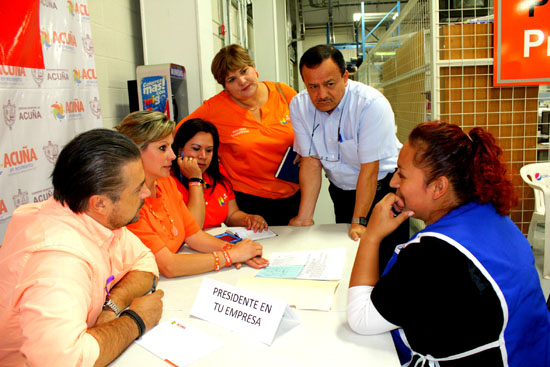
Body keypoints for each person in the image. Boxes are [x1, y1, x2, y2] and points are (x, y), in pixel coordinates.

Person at [347, 121, 550, 366]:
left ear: (438, 187)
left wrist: (371, 236)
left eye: (402, 173)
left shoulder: (435, 254)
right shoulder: (493, 215)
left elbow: (360, 319)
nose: (393, 183)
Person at [0, 129, 164, 367]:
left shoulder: (91, 216)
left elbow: (144, 260)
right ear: (100, 203)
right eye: (138, 188)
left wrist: (111, 307)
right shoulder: (57, 261)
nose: (147, 193)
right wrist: (136, 320)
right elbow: (61, 362)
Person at [289, 44, 409, 272]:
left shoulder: (370, 104)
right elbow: (311, 162)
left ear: (345, 77)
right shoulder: (299, 105)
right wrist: (304, 218)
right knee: (351, 263)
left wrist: (360, 221)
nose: (321, 94)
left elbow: (370, 170)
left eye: (329, 84)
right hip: (342, 192)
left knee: (387, 263)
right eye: (312, 86)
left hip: (383, 190)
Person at [116, 111, 268, 279]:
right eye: (162, 148)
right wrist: (230, 257)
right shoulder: (128, 203)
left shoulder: (166, 183)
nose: (172, 156)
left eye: (170, 147)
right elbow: (170, 266)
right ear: (135, 151)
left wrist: (235, 251)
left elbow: (194, 234)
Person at [175, 44, 300, 225]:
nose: (242, 81)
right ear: (225, 87)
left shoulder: (283, 93)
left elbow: (312, 128)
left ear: (254, 69)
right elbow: (180, 133)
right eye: (232, 79)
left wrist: (306, 151)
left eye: (244, 71)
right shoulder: (214, 108)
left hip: (294, 193)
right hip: (249, 200)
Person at [172, 118, 268, 230]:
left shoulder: (218, 173)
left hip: (216, 242)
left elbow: (231, 215)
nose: (203, 156)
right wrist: (195, 180)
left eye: (209, 150)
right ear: (180, 150)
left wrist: (248, 219)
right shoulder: (167, 180)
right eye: (196, 148)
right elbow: (192, 229)